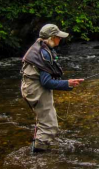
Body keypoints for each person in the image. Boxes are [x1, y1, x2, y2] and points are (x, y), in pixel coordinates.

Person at [20, 24, 84, 152]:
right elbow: (46, 82)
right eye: (58, 37)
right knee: (49, 126)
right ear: (50, 38)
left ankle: (38, 148)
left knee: (44, 122)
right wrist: (68, 84)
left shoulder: (39, 46)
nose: (60, 39)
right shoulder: (44, 54)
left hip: (30, 87)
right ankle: (38, 156)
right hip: (36, 89)